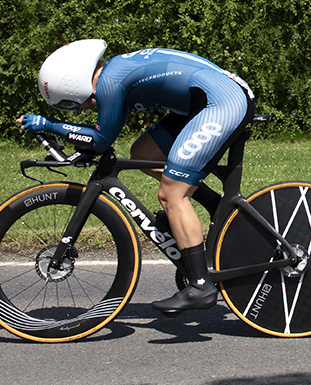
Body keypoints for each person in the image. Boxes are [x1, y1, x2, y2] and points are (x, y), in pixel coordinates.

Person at [18, 40, 255, 314]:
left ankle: (201, 286)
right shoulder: (115, 74)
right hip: (211, 98)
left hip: (222, 102)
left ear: (74, 85)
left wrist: (49, 125)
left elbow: (101, 140)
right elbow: (101, 136)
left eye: (78, 106)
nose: (85, 111)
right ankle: (218, 208)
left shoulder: (109, 83)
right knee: (144, 152)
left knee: (171, 194)